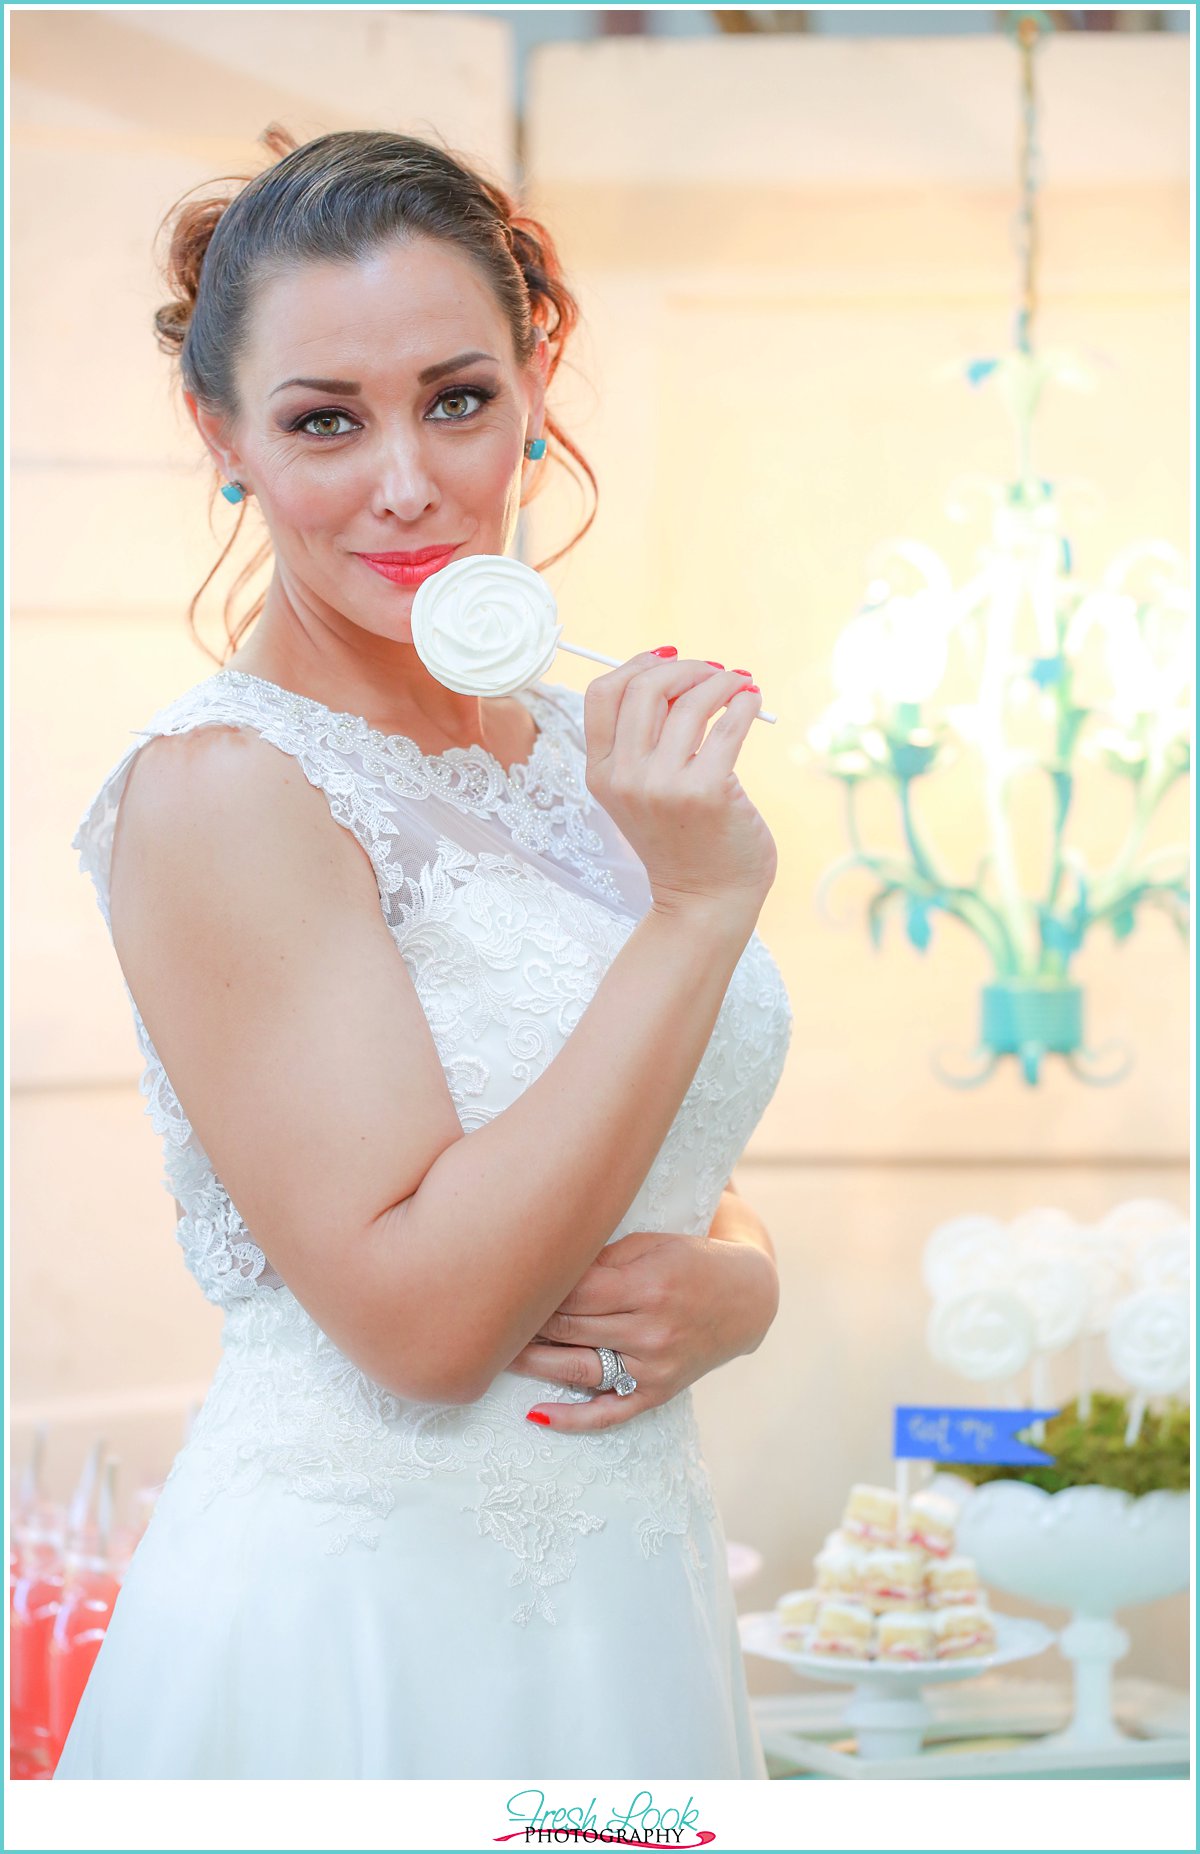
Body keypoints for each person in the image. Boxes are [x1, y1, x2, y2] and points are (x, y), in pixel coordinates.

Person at [55, 125, 793, 1780]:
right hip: (369, 1625)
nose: (408, 481)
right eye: (327, 421)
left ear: (538, 381)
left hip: (629, 1595)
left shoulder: (580, 754)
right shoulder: (225, 792)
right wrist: (693, 910)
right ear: (221, 437)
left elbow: (667, 1149)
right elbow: (422, 1316)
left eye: (457, 398)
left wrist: (742, 1281)